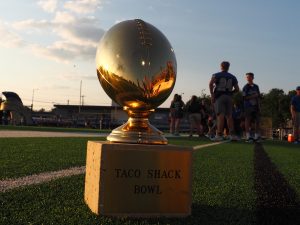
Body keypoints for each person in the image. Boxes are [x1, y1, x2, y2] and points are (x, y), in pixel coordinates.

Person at [209, 61, 239, 141]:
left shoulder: (216, 75)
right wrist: (230, 93)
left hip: (219, 96)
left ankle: (219, 135)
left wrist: (212, 94)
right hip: (229, 97)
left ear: (221, 66)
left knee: (220, 116)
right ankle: (232, 135)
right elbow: (237, 89)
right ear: (228, 67)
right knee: (229, 116)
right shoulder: (233, 77)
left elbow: (211, 84)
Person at [242, 72, 261, 142]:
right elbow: (244, 97)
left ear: (252, 78)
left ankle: (256, 136)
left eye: (249, 77)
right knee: (247, 120)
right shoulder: (245, 87)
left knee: (257, 121)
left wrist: (259, 106)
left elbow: (258, 97)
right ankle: (248, 136)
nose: (248, 78)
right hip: (248, 106)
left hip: (255, 106)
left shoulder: (256, 86)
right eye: (247, 77)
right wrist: (253, 96)